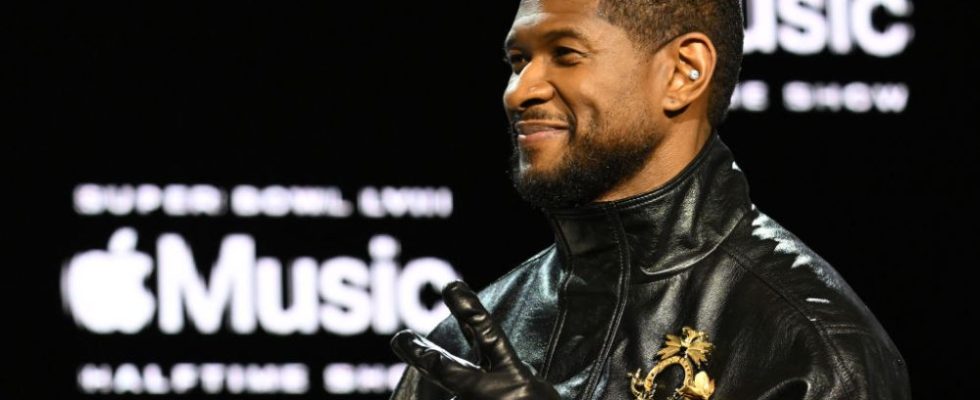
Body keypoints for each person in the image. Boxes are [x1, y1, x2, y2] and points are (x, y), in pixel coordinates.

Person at [388, 0, 911, 399]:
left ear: (684, 73)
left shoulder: (815, 350)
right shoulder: (465, 347)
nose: (518, 91)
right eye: (518, 59)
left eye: (565, 55)